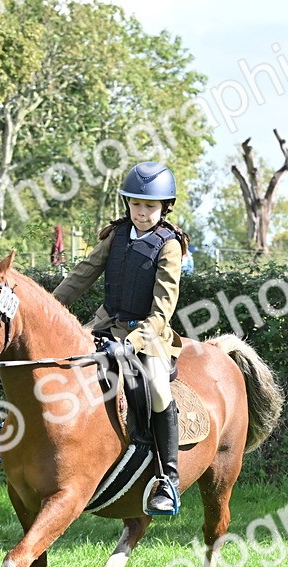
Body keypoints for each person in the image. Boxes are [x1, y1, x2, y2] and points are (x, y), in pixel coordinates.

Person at [52, 161, 190, 515]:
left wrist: (131, 344)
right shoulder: (116, 235)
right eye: (136, 205)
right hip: (104, 324)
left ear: (164, 208)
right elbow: (83, 274)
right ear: (127, 203)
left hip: (149, 335)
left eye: (150, 206)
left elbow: (162, 311)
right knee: (59, 359)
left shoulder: (170, 246)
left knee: (158, 387)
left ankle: (167, 479)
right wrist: (50, 309)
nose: (142, 213)